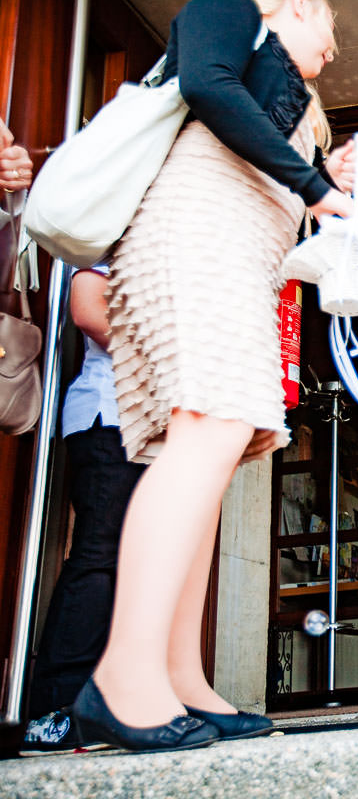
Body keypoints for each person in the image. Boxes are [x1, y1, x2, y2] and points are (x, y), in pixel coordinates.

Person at [72, 0, 358, 754]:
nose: (335, 46)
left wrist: (325, 182)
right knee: (209, 428)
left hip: (236, 256)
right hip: (193, 239)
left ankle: (178, 677)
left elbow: (253, 170)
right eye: (331, 24)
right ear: (297, 6)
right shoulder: (231, 5)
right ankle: (123, 676)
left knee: (217, 448)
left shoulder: (288, 92)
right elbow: (205, 83)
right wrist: (318, 188)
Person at [21, 267, 146, 755]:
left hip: (159, 423)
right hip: (111, 413)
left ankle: (118, 701)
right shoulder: (115, 215)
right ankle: (54, 709)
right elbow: (90, 310)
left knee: (140, 567)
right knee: (100, 556)